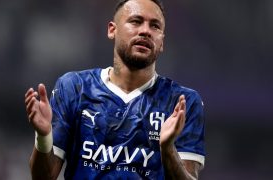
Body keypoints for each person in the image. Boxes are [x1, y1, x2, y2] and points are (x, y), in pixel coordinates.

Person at [25, 0, 205, 179]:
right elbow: (43, 177)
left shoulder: (181, 103)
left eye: (155, 26)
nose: (145, 31)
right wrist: (43, 135)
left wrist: (167, 149)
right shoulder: (74, 88)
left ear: (162, 42)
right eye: (136, 21)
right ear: (112, 30)